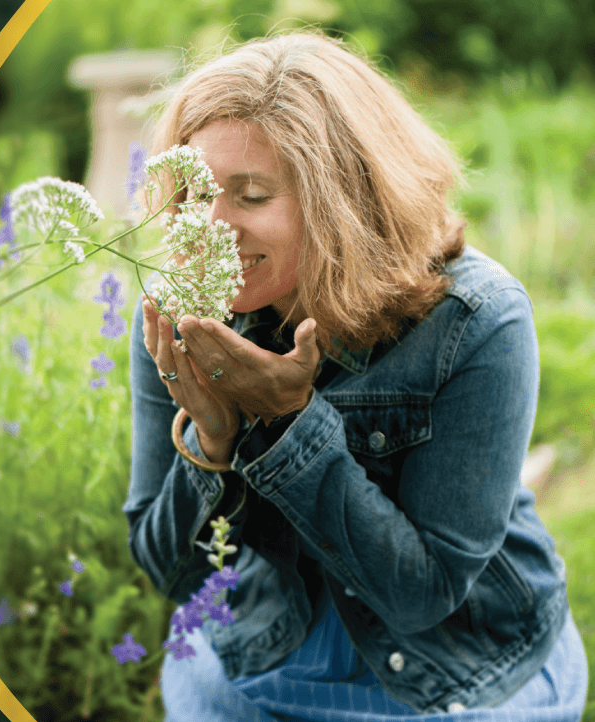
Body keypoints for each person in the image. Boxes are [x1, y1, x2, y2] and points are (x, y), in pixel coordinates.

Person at [123, 31, 589, 722]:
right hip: (261, 654)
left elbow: (421, 597)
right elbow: (169, 570)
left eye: (249, 196)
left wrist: (286, 426)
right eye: (191, 193)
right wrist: (211, 443)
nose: (207, 228)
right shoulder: (175, 315)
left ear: (341, 199)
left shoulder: (475, 320)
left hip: (456, 670)